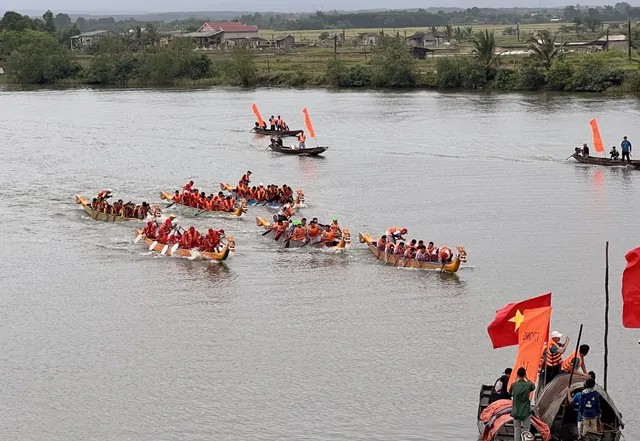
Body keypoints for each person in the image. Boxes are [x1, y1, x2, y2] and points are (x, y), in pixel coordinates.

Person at [509, 367, 535, 441]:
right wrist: (527, 378)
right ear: (525, 374)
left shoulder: (513, 385)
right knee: (526, 430)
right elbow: (533, 387)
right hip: (525, 411)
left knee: (517, 429)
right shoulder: (528, 385)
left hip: (516, 411)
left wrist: (515, 380)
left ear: (517, 374)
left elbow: (510, 393)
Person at [569, 371, 597, 436]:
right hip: (592, 419)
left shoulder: (579, 395)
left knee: (581, 435)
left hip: (582, 419)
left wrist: (568, 392)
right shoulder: (596, 395)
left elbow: (571, 402)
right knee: (590, 435)